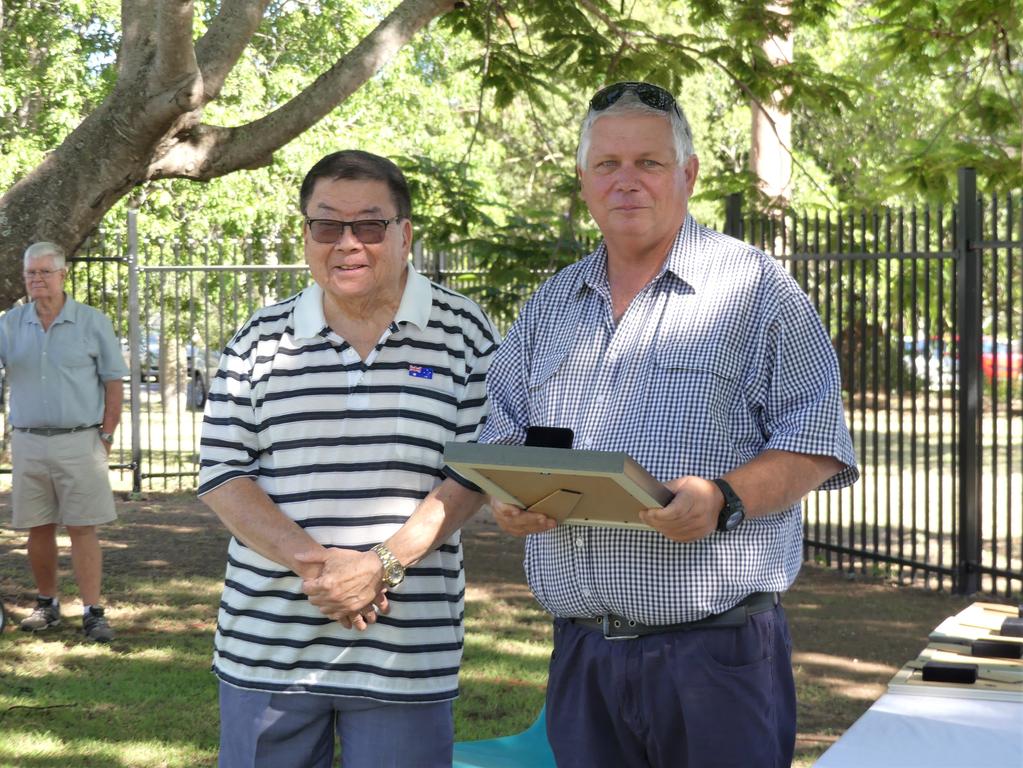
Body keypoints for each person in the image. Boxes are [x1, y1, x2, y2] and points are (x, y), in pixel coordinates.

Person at [478, 82, 859, 768]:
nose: (627, 182)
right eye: (607, 164)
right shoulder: (551, 304)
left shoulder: (756, 290)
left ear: (688, 174)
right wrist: (512, 499)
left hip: (715, 661)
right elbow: (503, 429)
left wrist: (725, 498)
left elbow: (818, 440)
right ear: (584, 179)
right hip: (583, 654)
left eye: (649, 163)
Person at [198, 150, 498, 767]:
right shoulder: (260, 340)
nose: (347, 244)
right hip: (268, 649)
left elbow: (478, 469)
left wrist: (383, 564)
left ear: (405, 233)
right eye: (327, 225)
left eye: (369, 225)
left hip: (407, 654)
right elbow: (224, 474)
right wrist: (324, 571)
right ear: (306, 234)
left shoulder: (465, 333)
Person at [0, 241, 127, 643]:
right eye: (30, 273)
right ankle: (47, 604)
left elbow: (113, 382)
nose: (37, 279)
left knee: (83, 528)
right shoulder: (9, 324)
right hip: (28, 443)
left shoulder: (93, 322)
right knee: (37, 528)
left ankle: (93, 611)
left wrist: (105, 436)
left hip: (80, 441)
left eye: (44, 272)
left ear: (62, 275)